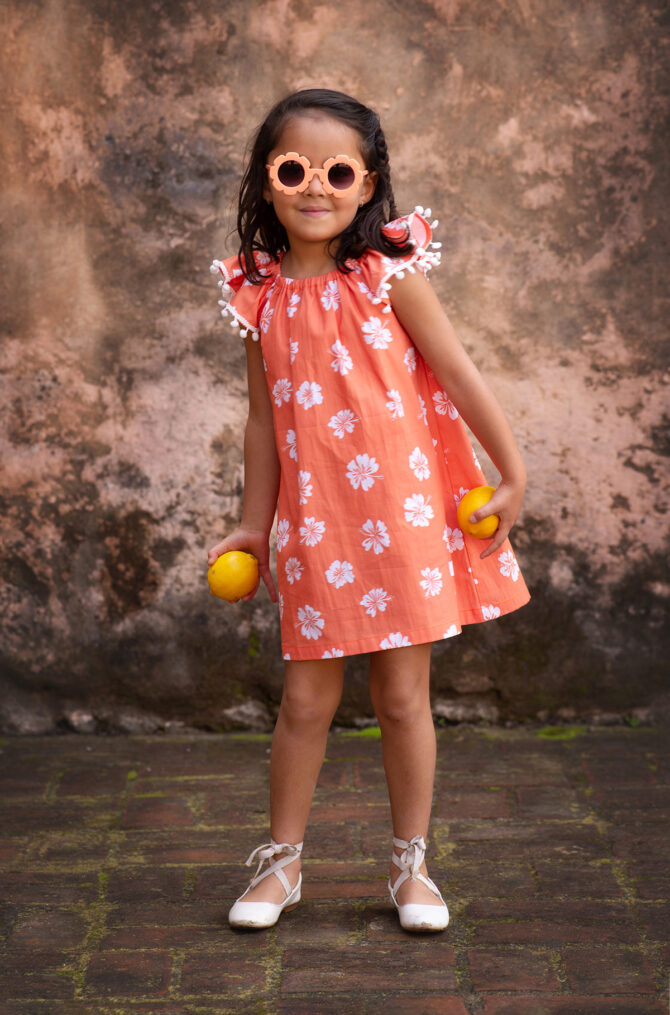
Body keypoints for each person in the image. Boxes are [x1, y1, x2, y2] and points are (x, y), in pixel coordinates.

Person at [208, 88, 530, 933]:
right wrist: (253, 523)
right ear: (267, 182)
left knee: (400, 697)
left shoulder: (387, 276)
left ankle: (411, 865)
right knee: (305, 702)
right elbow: (262, 420)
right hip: (318, 525)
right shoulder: (258, 297)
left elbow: (458, 371)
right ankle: (282, 865)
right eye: (293, 168)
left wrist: (513, 469)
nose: (316, 186)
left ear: (367, 184)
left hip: (406, 518)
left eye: (337, 170)